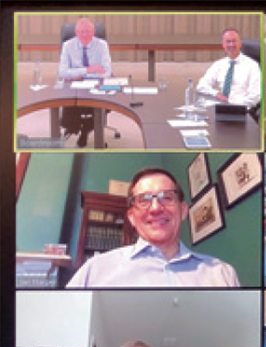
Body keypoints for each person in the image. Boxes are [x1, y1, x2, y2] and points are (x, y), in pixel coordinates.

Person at [67, 167, 240, 287]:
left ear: (183, 210)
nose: (156, 208)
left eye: (166, 197)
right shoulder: (95, 269)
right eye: (144, 199)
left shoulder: (223, 275)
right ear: (132, 217)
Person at [58, 18, 113, 147]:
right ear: (76, 32)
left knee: (99, 103)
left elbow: (107, 72)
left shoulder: (102, 45)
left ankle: (88, 127)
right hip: (74, 88)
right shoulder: (68, 46)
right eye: (81, 32)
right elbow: (62, 72)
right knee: (69, 109)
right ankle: (80, 126)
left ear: (93, 32)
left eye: (88, 31)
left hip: (96, 87)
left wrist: (78, 74)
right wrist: (90, 70)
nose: (85, 35)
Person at [197, 28, 261, 108]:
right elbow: (201, 85)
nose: (231, 45)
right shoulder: (218, 64)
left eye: (234, 41)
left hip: (242, 109)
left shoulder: (252, 65)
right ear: (223, 44)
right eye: (228, 41)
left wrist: (235, 106)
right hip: (222, 107)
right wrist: (216, 94)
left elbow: (255, 96)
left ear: (240, 43)